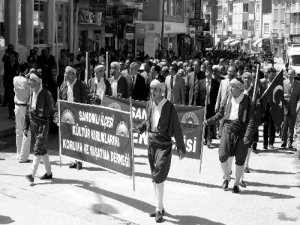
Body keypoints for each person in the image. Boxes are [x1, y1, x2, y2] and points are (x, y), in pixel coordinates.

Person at [135, 79, 186, 223]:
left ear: (161, 91)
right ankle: (160, 207)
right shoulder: (149, 104)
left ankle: (158, 209)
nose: (152, 92)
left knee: (159, 175)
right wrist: (139, 128)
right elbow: (148, 122)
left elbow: (176, 127)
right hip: (151, 143)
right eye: (151, 89)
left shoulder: (169, 107)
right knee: (154, 176)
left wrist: (181, 147)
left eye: (155, 89)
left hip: (164, 145)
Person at [204, 78, 256, 193]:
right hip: (227, 128)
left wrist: (248, 135)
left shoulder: (248, 100)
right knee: (222, 155)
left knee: (240, 159)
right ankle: (227, 176)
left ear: (239, 89)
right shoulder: (228, 98)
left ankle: (236, 183)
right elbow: (220, 114)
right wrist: (209, 121)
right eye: (230, 86)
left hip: (242, 130)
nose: (230, 88)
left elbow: (252, 120)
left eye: (232, 86)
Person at [25, 69, 55, 182]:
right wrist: (25, 126)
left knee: (37, 148)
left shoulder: (46, 93)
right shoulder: (31, 93)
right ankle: (49, 173)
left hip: (43, 124)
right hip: (33, 125)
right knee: (42, 150)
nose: (29, 82)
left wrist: (57, 120)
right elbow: (29, 111)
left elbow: (53, 109)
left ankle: (31, 174)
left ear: (37, 82)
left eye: (31, 80)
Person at [59, 66, 90, 170]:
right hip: (67, 116)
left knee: (79, 139)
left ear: (73, 74)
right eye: (65, 73)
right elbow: (60, 101)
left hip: (78, 115)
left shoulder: (81, 85)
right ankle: (73, 160)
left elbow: (88, 98)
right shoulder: (63, 85)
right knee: (70, 139)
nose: (65, 75)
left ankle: (80, 161)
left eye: (68, 73)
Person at [13, 62, 31, 163]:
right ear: (25, 70)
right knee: (26, 132)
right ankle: (23, 157)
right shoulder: (27, 82)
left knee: (18, 132)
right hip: (24, 107)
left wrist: (25, 75)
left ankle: (18, 154)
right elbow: (30, 91)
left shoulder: (15, 79)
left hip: (17, 107)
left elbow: (20, 80)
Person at [281, 68, 300, 149]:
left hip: (293, 108)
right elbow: (280, 95)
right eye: (288, 74)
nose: (289, 75)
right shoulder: (283, 83)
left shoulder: (298, 84)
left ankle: (290, 142)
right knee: (284, 126)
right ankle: (284, 141)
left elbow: (299, 98)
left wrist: (298, 108)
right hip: (285, 108)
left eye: (291, 74)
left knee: (291, 127)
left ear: (294, 75)